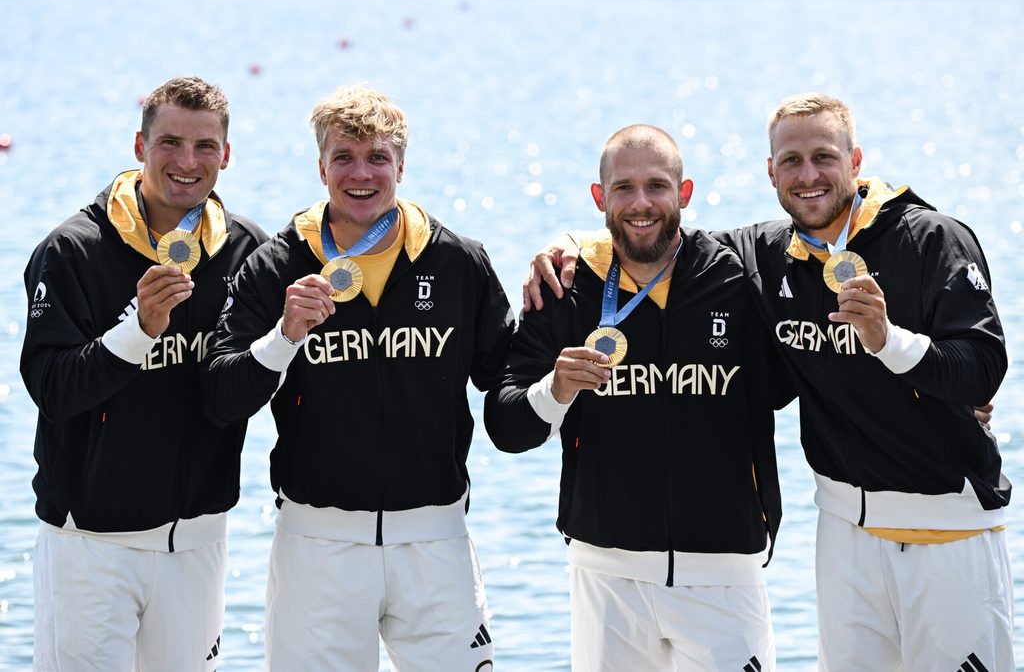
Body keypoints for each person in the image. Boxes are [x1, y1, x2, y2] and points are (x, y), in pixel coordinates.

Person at [526, 94, 1013, 671]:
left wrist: (889, 340)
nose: (808, 176)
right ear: (771, 171)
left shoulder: (930, 238)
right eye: (791, 161)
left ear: (855, 161)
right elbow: (660, 236)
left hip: (947, 528)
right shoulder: (764, 254)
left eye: (824, 157)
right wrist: (574, 244)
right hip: (844, 533)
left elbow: (984, 367)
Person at [201, 84, 513, 671]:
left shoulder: (458, 262)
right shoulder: (275, 265)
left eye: (377, 157)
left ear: (402, 165)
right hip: (316, 544)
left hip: (435, 540)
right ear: (321, 167)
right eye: (344, 157)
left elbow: (509, 389)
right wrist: (284, 336)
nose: (360, 173)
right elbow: (220, 396)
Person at [484, 124, 788, 671]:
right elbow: (505, 426)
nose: (641, 203)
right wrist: (555, 391)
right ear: (599, 199)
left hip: (724, 568)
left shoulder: (740, 272)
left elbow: (824, 228)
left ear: (685, 193)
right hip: (607, 569)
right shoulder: (564, 286)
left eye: (657, 185)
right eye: (623, 188)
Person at [21, 76, 268, 671]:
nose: (187, 162)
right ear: (139, 146)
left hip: (199, 539)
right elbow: (53, 391)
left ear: (227, 155)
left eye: (205, 146)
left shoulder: (249, 250)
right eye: (170, 143)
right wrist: (139, 329)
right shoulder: (72, 250)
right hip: (91, 544)